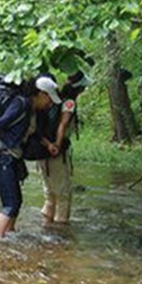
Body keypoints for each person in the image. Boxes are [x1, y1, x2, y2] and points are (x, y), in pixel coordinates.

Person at [0, 76, 60, 238]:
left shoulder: (31, 109)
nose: (50, 103)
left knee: (16, 201)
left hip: (11, 157)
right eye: (49, 98)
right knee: (10, 203)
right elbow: (2, 122)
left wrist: (48, 144)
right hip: (3, 156)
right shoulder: (21, 104)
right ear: (41, 94)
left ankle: (9, 234)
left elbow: (32, 131)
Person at [39, 71, 92, 226]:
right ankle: (62, 227)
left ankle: (47, 223)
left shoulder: (55, 98)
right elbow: (63, 124)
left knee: (49, 191)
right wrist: (57, 144)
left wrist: (48, 144)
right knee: (63, 192)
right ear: (79, 88)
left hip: (43, 148)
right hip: (56, 151)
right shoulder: (69, 102)